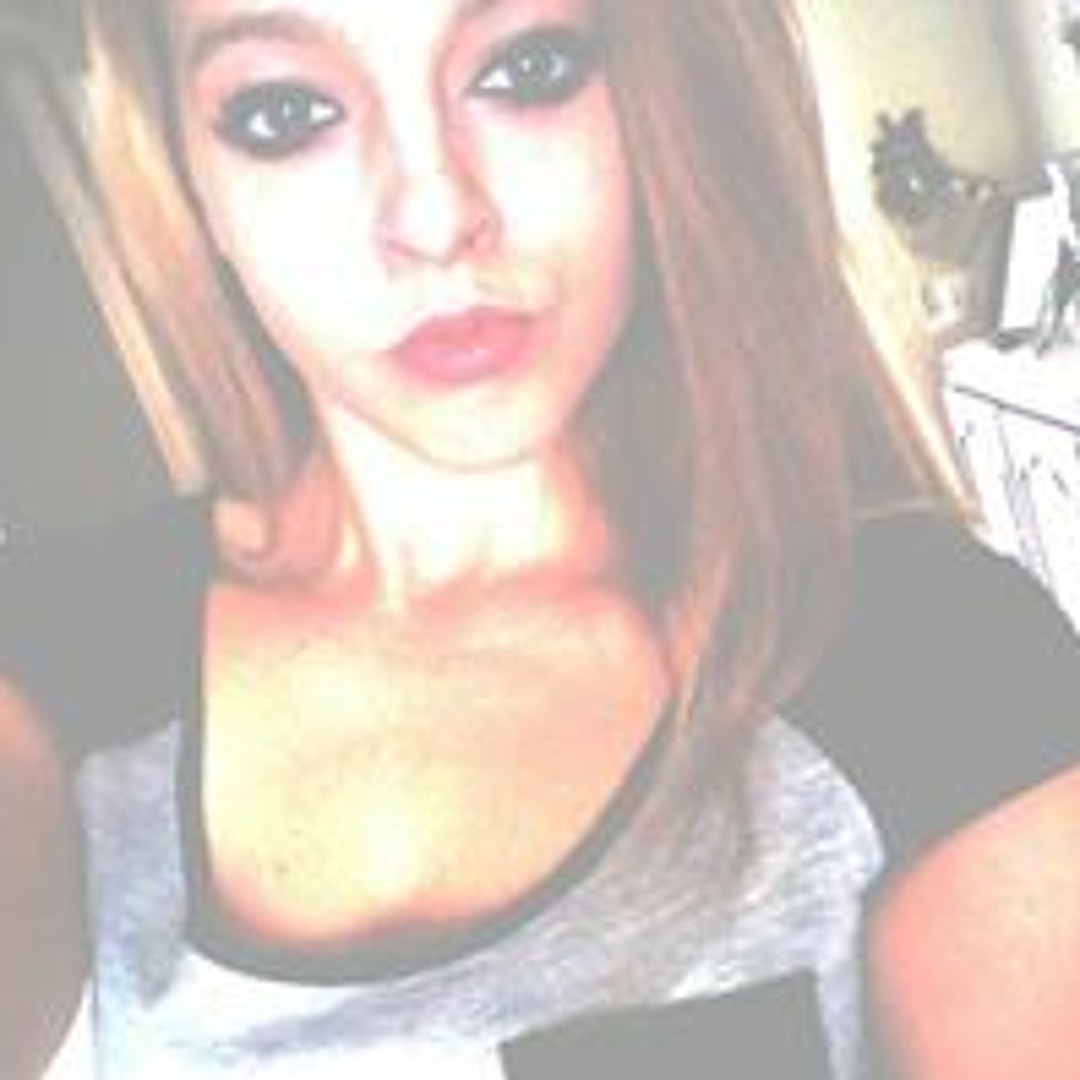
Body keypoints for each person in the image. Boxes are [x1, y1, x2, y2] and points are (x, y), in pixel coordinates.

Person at [1, 0, 1079, 1076]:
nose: (435, 217)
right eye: (286, 113)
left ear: (665, 100)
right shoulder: (51, 666)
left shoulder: (931, 654)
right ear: (192, 185)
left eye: (528, 67)